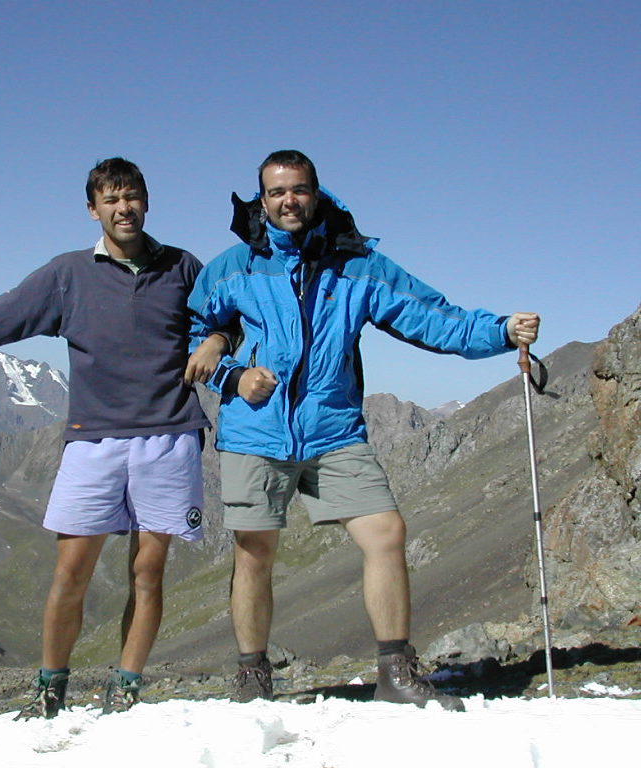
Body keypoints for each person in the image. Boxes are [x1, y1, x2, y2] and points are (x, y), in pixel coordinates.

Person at [186, 149, 540, 711]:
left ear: (316, 193)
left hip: (333, 431)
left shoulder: (357, 265)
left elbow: (432, 317)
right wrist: (233, 376)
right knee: (254, 551)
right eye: (276, 192)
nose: (288, 201)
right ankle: (253, 675)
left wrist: (500, 331)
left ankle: (395, 671)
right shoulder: (231, 267)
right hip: (255, 432)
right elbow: (195, 332)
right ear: (261, 200)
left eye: (298, 189)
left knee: (386, 532)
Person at [0, 158, 229, 717]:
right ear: (94, 210)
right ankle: (49, 689)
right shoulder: (68, 275)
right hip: (93, 440)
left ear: (147, 201)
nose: (124, 208)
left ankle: (127, 689)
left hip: (169, 436)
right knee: (71, 571)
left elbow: (231, 312)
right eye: (111, 200)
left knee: (148, 569)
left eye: (132, 197)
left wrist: (214, 339)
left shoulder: (184, 267)